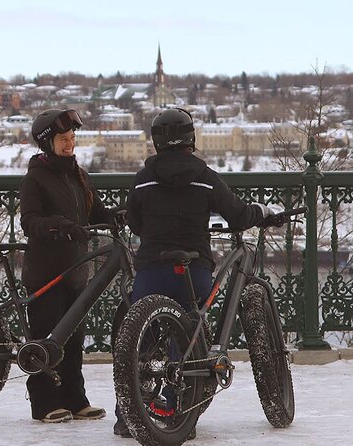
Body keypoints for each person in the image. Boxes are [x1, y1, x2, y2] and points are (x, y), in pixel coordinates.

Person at [113, 107, 275, 437]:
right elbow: (238, 214)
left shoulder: (143, 179)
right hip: (193, 269)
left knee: (141, 335)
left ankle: (127, 414)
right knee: (190, 328)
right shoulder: (204, 175)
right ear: (191, 138)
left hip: (150, 271)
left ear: (156, 141)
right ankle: (179, 409)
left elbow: (134, 222)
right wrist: (263, 212)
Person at [20, 108, 111, 424]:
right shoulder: (36, 177)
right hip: (46, 272)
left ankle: (75, 400)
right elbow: (29, 222)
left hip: (75, 271)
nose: (69, 144)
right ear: (48, 143)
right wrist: (57, 225)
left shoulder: (79, 176)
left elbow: (95, 213)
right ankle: (44, 403)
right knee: (46, 340)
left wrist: (117, 217)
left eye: (72, 138)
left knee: (73, 343)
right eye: (63, 139)